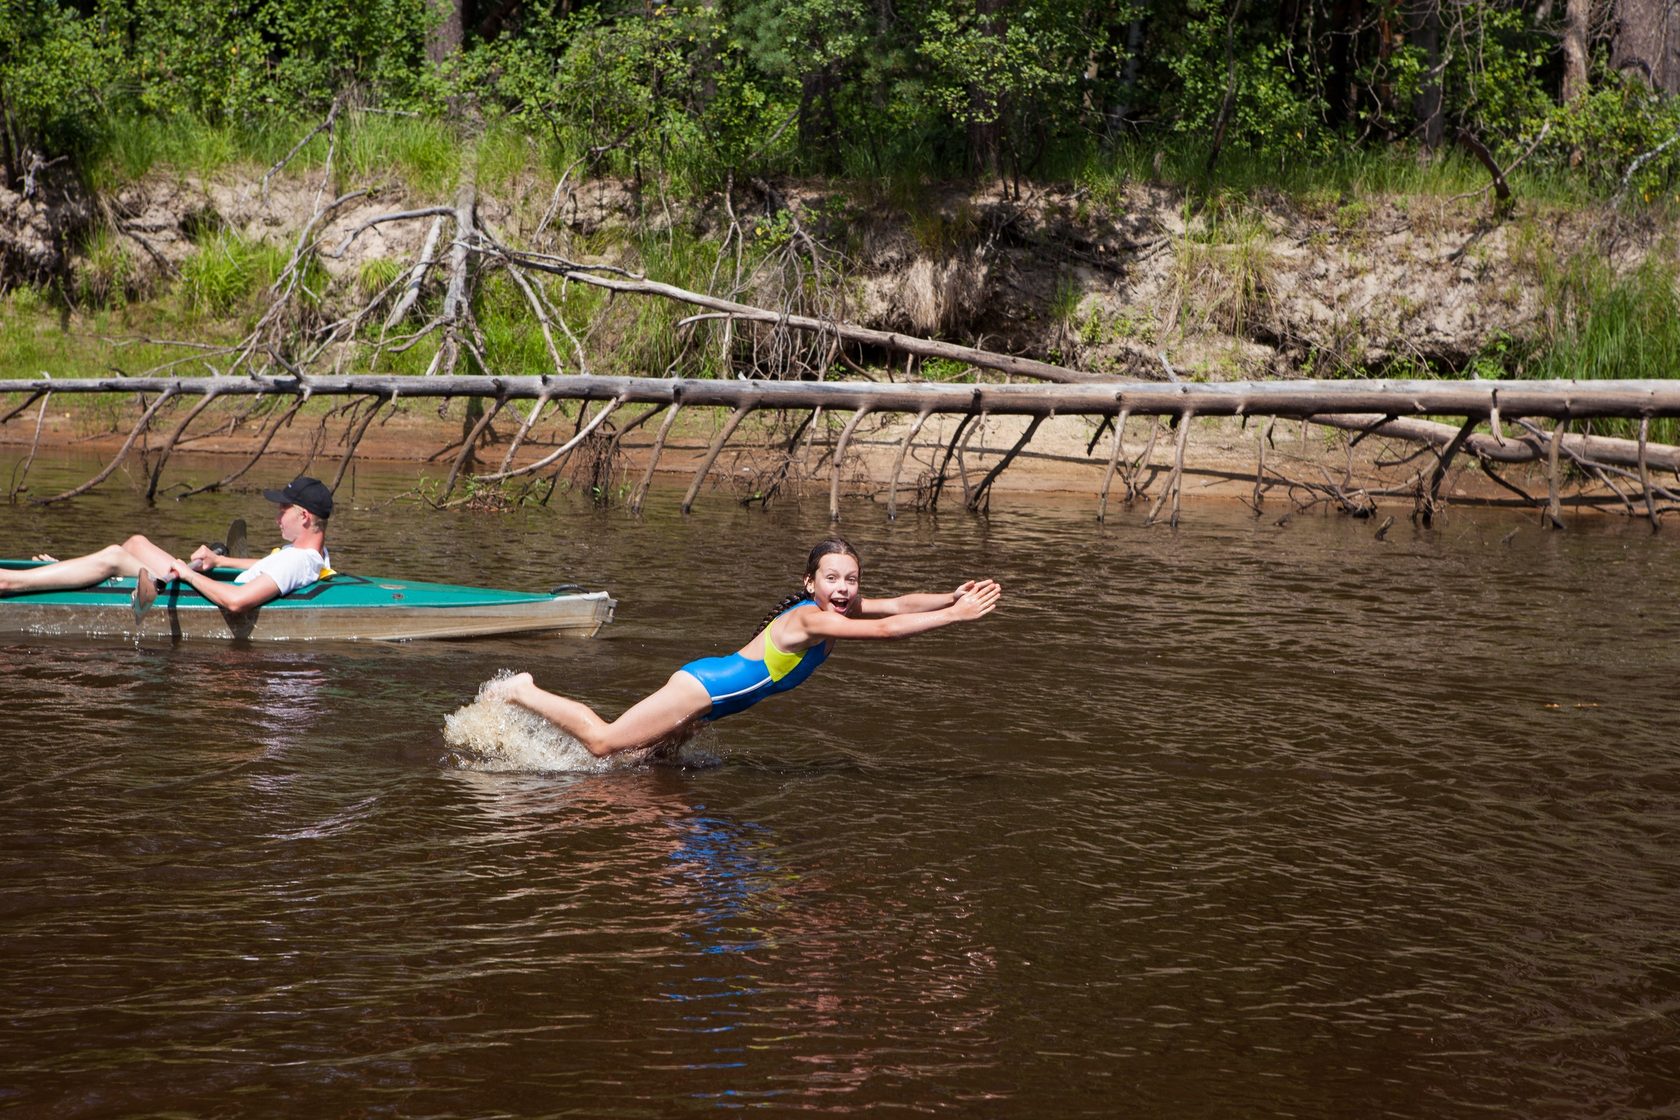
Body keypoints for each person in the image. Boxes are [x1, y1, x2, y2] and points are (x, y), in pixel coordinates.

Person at [488, 536, 1002, 758]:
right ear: (810, 583)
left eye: (851, 579)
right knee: (604, 743)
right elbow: (888, 633)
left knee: (649, 766)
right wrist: (955, 617)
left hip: (718, 701)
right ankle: (523, 689)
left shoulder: (838, 611)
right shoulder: (811, 620)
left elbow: (896, 607)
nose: (843, 588)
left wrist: (947, 596)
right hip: (703, 689)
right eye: (832, 578)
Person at [0, 476, 334, 613]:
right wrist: (221, 564)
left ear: (304, 516)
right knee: (135, 542)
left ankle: (11, 581)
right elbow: (269, 565)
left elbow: (236, 602)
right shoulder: (309, 553)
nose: (277, 517)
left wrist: (188, 576)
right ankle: (69, 571)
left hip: (203, 596)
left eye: (282, 510)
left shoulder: (296, 562)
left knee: (116, 557)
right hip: (205, 582)